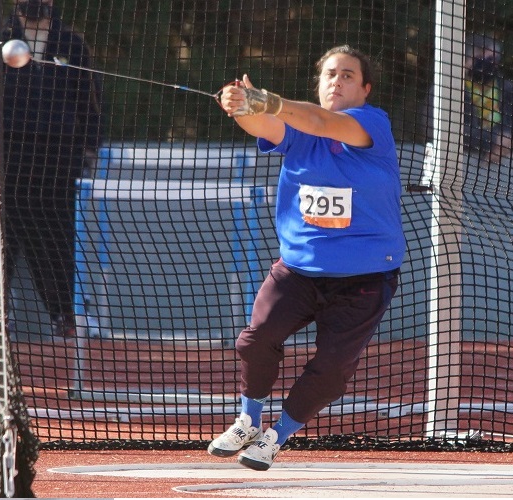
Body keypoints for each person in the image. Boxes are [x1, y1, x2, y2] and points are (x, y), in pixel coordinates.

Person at [208, 45, 404, 471]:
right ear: (318, 84)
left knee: (331, 370)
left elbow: (321, 121)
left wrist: (269, 100)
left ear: (365, 89)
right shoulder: (299, 131)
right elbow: (264, 123)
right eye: (330, 74)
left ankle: (278, 434)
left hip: (365, 279)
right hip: (297, 272)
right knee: (256, 339)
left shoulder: (371, 123)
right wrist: (241, 106)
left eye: (348, 75)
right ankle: (249, 420)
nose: (337, 81)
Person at [1, 0, 103, 337]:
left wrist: (91, 146)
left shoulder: (72, 44)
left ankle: (65, 313)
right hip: (9, 155)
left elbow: (88, 97)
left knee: (57, 235)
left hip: (57, 156)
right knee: (4, 235)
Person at [426, 34, 513, 164]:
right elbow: (435, 127)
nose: (487, 64)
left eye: (492, 59)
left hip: (504, 164)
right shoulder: (446, 90)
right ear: (464, 60)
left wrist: (505, 143)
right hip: (457, 162)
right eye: (480, 58)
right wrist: (492, 140)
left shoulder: (507, 89)